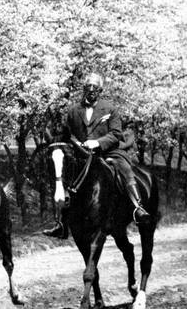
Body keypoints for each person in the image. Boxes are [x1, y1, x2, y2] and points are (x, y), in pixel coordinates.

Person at [46, 71, 149, 237]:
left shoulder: (110, 109)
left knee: (124, 168)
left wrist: (98, 142)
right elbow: (68, 132)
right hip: (82, 154)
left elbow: (116, 134)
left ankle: (137, 207)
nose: (91, 90)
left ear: (100, 91)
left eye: (95, 88)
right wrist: (76, 142)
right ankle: (61, 223)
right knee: (65, 176)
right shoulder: (73, 111)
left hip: (108, 151)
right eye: (88, 87)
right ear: (84, 89)